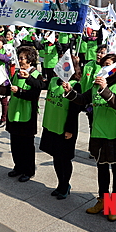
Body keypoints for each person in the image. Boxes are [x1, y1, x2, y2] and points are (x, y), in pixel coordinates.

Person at [63, 53, 116, 222]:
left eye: (108, 65)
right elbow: (82, 99)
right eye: (103, 65)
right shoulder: (96, 86)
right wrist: (70, 92)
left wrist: (104, 89)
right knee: (102, 167)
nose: (104, 68)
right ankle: (103, 200)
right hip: (98, 132)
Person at [39, 56, 83, 199]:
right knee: (56, 158)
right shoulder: (52, 81)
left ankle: (65, 185)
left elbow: (75, 109)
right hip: (52, 125)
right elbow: (39, 85)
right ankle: (60, 184)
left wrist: (69, 129)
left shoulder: (75, 85)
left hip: (65, 129)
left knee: (65, 159)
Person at [3, 46, 42, 182]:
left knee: (27, 145)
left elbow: (34, 93)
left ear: (30, 60)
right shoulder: (17, 73)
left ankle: (28, 170)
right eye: (19, 58)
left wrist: (19, 91)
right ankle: (18, 167)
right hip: (14, 112)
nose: (19, 61)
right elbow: (10, 89)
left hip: (27, 115)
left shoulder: (36, 75)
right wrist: (0, 89)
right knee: (15, 143)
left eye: (22, 58)